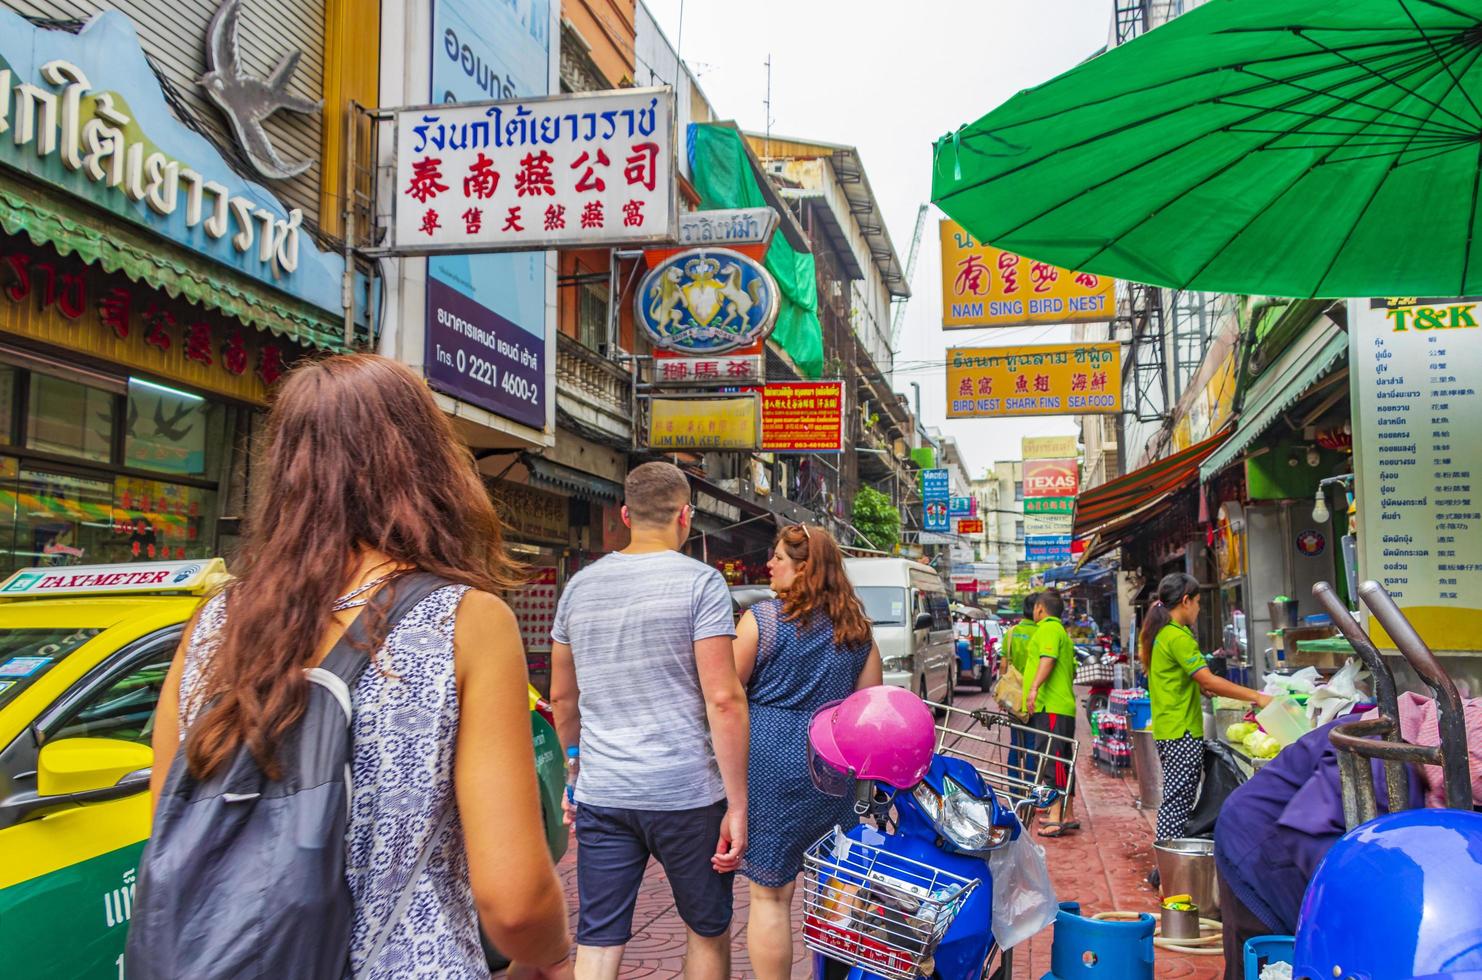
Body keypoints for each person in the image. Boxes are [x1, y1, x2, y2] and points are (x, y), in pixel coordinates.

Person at [146, 354, 573, 978]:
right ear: (427, 465)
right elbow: (513, 902)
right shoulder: (465, 620)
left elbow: (173, 817)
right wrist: (556, 956)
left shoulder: (215, 623)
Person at [549, 461, 749, 980]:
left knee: (598, 937)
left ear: (624, 516)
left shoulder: (578, 588)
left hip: (605, 792)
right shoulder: (701, 583)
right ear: (686, 516)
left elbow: (563, 699)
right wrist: (739, 805)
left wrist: (574, 777)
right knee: (706, 930)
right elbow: (723, 699)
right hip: (687, 794)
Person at [732, 523, 883, 980]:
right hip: (831, 767)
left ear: (804, 569)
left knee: (770, 895)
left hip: (768, 764)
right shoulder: (857, 633)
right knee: (837, 885)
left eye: (779, 557)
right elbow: (868, 711)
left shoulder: (762, 621)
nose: (770, 565)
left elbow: (727, 694)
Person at [1213, 712, 1421, 979]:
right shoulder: (1385, 762)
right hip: (1258, 844)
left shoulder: (1417, 741)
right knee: (1271, 962)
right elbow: (1309, 831)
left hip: (1286, 840)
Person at [1140, 572, 1270, 841]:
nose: (1199, 609)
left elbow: (1197, 683)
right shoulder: (1177, 636)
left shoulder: (1164, 635)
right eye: (1198, 602)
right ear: (1186, 601)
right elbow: (1206, 678)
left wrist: (1208, 688)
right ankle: (1168, 869)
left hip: (1170, 728)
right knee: (1177, 804)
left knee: (1178, 800)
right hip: (1181, 731)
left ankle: (1168, 865)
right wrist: (1257, 697)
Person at [1024, 588, 1080, 836]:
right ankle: (1066, 813)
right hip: (1061, 705)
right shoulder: (1062, 633)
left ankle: (1056, 816)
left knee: (1052, 759)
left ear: (1040, 608)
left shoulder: (1047, 629)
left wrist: (1034, 688)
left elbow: (1048, 659)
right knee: (1063, 760)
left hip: (1052, 706)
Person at [1004, 594, 1040, 782]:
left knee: (1016, 743)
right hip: (1038, 696)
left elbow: (1004, 665)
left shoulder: (1011, 633)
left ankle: (1015, 790)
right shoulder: (1041, 632)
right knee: (1034, 744)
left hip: (1014, 697)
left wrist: (1003, 696)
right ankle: (1032, 790)